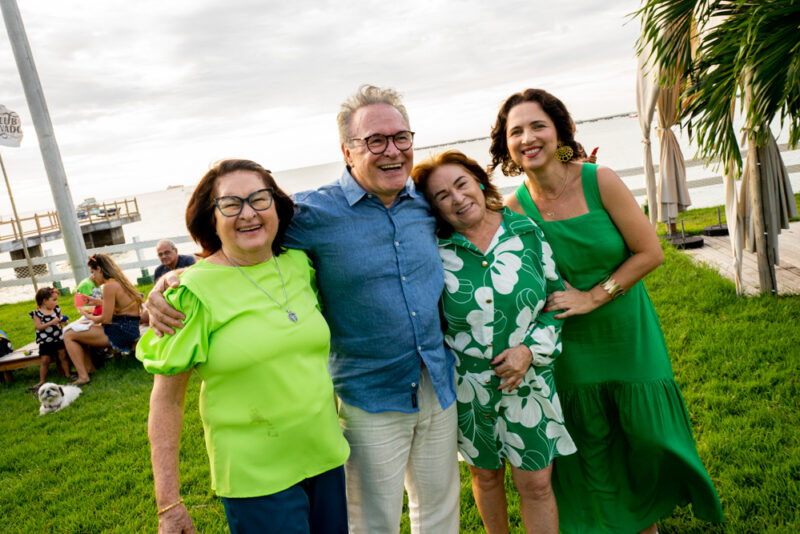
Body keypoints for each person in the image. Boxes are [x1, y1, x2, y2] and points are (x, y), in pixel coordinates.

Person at [147, 85, 460, 534]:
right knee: (374, 524)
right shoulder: (313, 214)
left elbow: (478, 214)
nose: (392, 150)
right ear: (347, 151)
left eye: (401, 138)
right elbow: (241, 238)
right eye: (375, 140)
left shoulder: (427, 203)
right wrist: (172, 277)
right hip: (369, 396)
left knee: (441, 515)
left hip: (436, 383)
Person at [491, 88, 724, 533]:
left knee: (646, 439)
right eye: (515, 131)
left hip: (627, 332)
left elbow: (649, 252)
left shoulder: (600, 180)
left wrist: (593, 296)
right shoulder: (515, 208)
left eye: (537, 125)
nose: (527, 137)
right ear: (506, 145)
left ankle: (647, 521)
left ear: (560, 130)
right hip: (570, 345)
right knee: (593, 446)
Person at [137, 159, 349, 534]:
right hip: (257, 478)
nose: (248, 213)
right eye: (231, 204)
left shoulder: (300, 266)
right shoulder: (190, 293)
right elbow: (166, 401)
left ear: (277, 208)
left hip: (326, 458)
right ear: (211, 218)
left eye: (259, 199)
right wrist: (168, 503)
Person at [411, 150, 577, 534]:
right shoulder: (435, 250)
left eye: (461, 184)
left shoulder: (526, 231)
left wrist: (528, 351)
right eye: (441, 195)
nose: (456, 198)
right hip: (468, 388)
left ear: (480, 183)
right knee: (486, 479)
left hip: (530, 382)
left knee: (535, 484)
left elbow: (556, 302)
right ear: (434, 207)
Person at [64, 254, 142, 385]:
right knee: (81, 327)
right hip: (129, 327)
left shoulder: (108, 286)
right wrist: (97, 302)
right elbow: (120, 306)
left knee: (69, 334)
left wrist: (89, 317)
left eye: (93, 272)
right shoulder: (117, 281)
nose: (92, 276)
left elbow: (105, 319)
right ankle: (89, 368)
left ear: (99, 269)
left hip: (121, 331)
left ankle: (83, 376)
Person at [28, 287, 71, 390]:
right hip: (45, 341)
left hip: (58, 338)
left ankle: (68, 374)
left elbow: (60, 321)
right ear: (44, 301)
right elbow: (38, 327)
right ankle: (42, 380)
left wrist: (64, 322)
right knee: (45, 360)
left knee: (63, 356)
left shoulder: (56, 309)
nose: (56, 302)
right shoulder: (37, 314)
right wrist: (51, 323)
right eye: (54, 300)